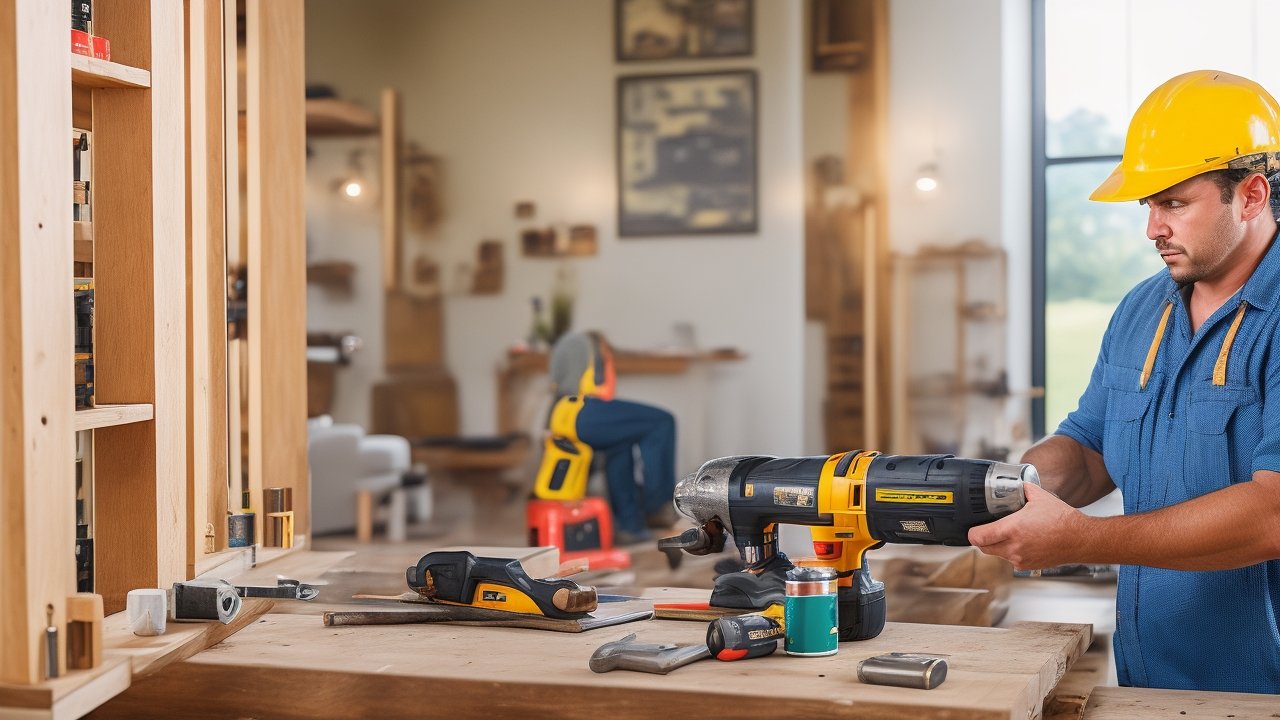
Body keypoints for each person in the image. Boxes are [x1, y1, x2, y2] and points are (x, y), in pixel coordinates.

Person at [969, 70, 1280, 693]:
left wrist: (1082, 539)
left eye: (1174, 204)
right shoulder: (1143, 309)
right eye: (1149, 206)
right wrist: (1001, 489)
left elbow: (1273, 512)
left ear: (1249, 196)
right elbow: (1089, 450)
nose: (1152, 229)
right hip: (1148, 678)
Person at [547, 331, 677, 544]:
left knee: (620, 446)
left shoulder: (577, 347)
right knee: (662, 421)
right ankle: (659, 506)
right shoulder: (579, 342)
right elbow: (571, 386)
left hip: (571, 414)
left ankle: (630, 526)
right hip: (576, 411)